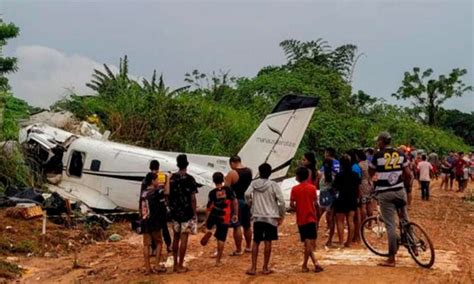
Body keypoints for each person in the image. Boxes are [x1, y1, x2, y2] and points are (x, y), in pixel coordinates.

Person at [369, 132, 411, 267]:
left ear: (382, 141)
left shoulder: (377, 155)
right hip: (400, 191)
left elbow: (371, 173)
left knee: (390, 225)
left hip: (385, 193)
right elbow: (408, 174)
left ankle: (391, 258)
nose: (377, 143)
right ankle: (413, 245)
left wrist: (376, 179)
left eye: (378, 141)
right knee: (405, 219)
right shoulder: (400, 153)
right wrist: (404, 186)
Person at [244, 163, 286, 276]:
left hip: (258, 216)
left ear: (259, 171)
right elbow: (281, 201)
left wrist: (251, 204)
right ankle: (265, 267)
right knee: (268, 241)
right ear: (270, 173)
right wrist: (281, 214)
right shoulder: (273, 185)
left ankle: (253, 267)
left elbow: (247, 194)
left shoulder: (254, 183)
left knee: (256, 241)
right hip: (271, 217)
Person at [168, 154, 199, 273]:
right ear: (187, 164)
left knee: (175, 237)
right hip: (186, 212)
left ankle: (175, 264)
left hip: (175, 212)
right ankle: (180, 264)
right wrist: (194, 212)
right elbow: (192, 198)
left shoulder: (171, 179)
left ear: (177, 164)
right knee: (184, 238)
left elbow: (167, 194)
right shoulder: (190, 179)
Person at [201, 172, 238, 266]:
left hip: (214, 215)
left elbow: (208, 208)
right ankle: (218, 261)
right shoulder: (228, 190)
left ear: (213, 181)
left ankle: (209, 230)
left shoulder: (212, 193)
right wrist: (235, 214)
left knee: (214, 230)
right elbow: (235, 202)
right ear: (223, 179)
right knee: (221, 238)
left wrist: (206, 220)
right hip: (224, 216)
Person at [290, 167, 324, 273]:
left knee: (307, 242)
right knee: (309, 242)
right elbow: (315, 203)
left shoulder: (294, 189)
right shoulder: (312, 188)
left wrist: (298, 209)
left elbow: (292, 205)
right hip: (311, 217)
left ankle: (309, 264)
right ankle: (312, 263)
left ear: (298, 177)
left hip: (301, 218)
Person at [140, 160, 172, 254]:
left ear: (150, 167)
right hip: (161, 205)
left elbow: (142, 195)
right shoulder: (163, 176)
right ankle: (168, 245)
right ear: (158, 167)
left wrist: (141, 211)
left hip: (150, 208)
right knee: (164, 226)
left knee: (152, 228)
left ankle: (154, 249)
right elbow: (167, 193)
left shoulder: (146, 179)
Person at [140, 172, 168, 274]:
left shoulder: (144, 192)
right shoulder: (156, 192)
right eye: (156, 179)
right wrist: (168, 179)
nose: (157, 181)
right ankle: (156, 265)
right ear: (152, 181)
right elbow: (167, 192)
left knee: (146, 245)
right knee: (159, 242)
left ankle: (147, 268)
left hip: (144, 220)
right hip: (154, 221)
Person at [225, 155, 253, 255]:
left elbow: (226, 189)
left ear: (232, 163)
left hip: (235, 201)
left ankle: (238, 249)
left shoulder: (232, 173)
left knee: (237, 226)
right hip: (244, 200)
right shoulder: (249, 171)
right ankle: (249, 246)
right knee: (247, 225)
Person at [333, 155, 361, 248]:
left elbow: (335, 188)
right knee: (350, 220)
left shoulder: (339, 175)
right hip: (352, 198)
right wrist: (358, 198)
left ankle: (341, 241)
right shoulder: (355, 175)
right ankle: (349, 242)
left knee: (340, 221)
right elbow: (358, 188)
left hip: (341, 198)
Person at [318, 158, 336, 247]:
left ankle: (312, 240)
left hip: (322, 195)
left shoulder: (320, 174)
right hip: (331, 196)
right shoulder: (334, 175)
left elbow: (317, 185)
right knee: (331, 219)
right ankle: (329, 240)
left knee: (317, 217)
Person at [356, 149, 374, 228]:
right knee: (369, 203)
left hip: (363, 184)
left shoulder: (359, 165)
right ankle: (370, 223)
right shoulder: (368, 163)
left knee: (363, 204)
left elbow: (358, 177)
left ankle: (364, 222)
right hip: (370, 183)